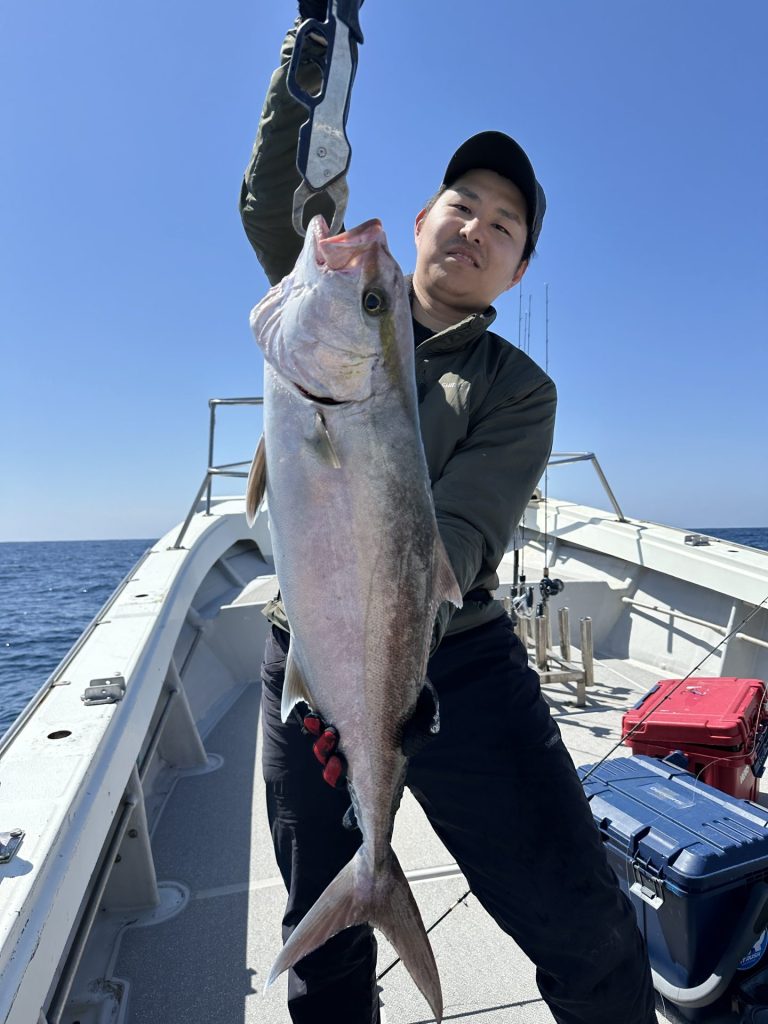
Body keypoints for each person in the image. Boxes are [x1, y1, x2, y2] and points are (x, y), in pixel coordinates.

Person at [239, 6, 657, 1024]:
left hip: (460, 664)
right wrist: (315, 43)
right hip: (310, 656)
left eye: (504, 227)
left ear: (517, 273)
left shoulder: (519, 390)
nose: (476, 227)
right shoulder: (329, 297)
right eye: (462, 204)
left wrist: (382, 699)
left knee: (587, 927)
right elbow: (275, 194)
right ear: (423, 218)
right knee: (323, 957)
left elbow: (456, 547)